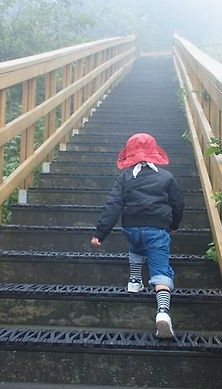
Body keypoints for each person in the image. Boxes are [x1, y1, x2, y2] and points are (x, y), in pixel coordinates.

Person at [90, 133, 185, 339]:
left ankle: (134, 281)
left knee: (136, 245)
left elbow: (113, 205)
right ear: (155, 153)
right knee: (160, 270)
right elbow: (178, 203)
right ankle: (163, 312)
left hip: (131, 227)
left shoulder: (125, 178)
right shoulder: (166, 177)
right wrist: (174, 224)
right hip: (157, 229)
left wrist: (101, 232)